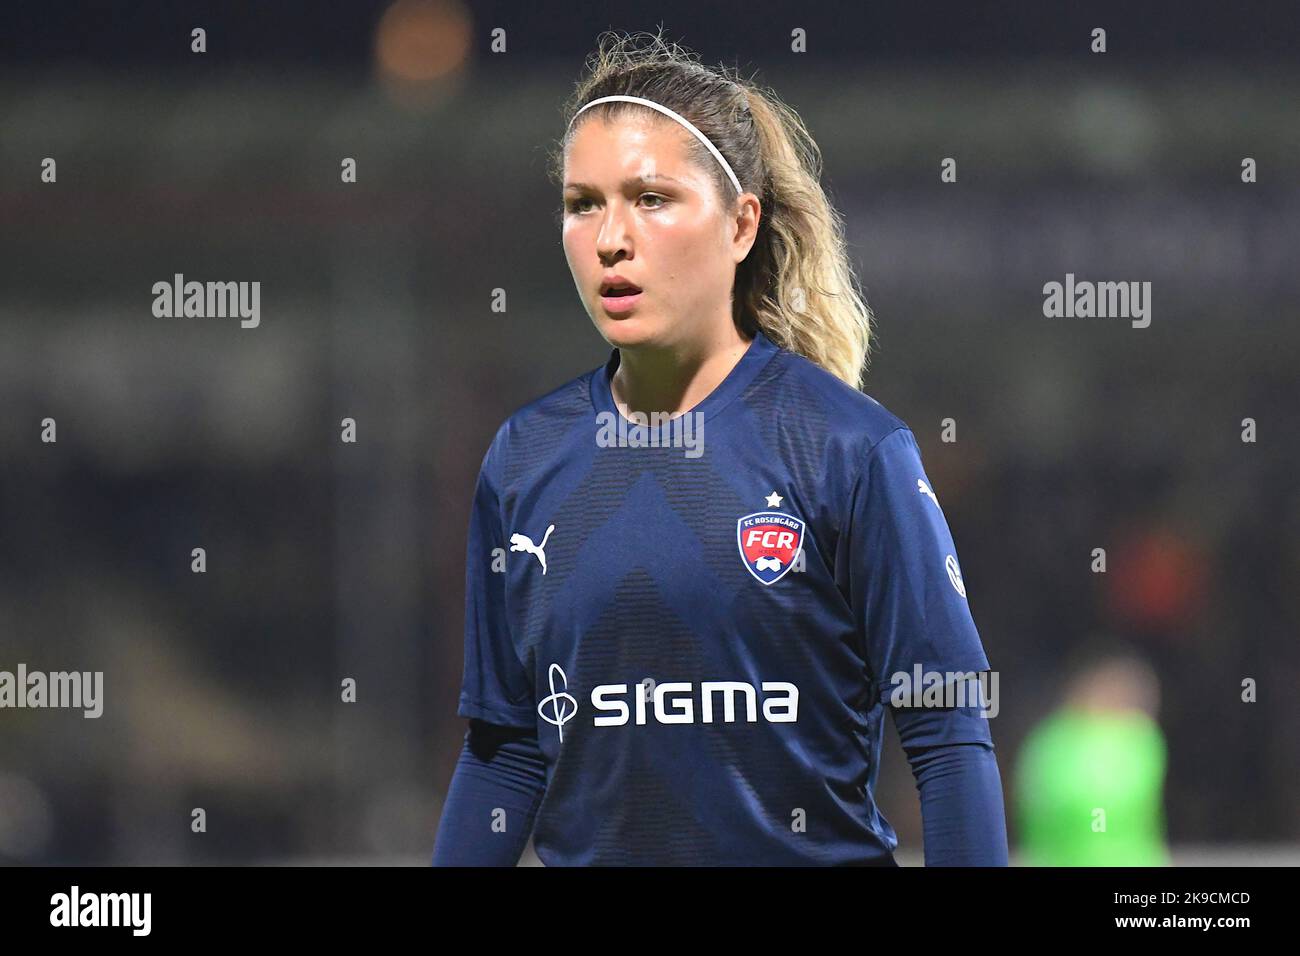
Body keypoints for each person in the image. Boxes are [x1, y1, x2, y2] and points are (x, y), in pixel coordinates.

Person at [433, 30, 1007, 866]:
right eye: (582, 203)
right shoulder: (525, 460)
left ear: (742, 225)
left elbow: (949, 733)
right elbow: (508, 749)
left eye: (652, 198)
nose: (610, 238)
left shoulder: (848, 449)